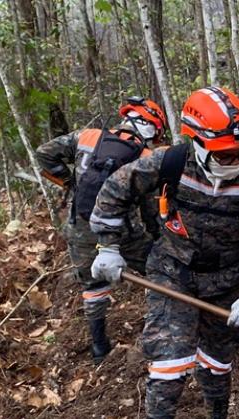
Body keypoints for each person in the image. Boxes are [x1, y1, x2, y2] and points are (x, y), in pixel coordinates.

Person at [88, 87, 239, 419]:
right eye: (227, 154)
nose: (236, 160)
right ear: (200, 143)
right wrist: (107, 245)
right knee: (171, 360)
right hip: (173, 273)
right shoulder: (170, 163)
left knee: (218, 358)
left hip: (228, 279)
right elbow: (113, 191)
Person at [36, 97, 168, 364]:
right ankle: (163, 328)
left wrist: (68, 181)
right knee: (159, 271)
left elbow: (44, 153)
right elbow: (149, 207)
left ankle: (99, 347)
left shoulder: (86, 136)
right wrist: (158, 237)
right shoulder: (145, 158)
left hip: (80, 225)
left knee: (93, 285)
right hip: (123, 231)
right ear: (151, 127)